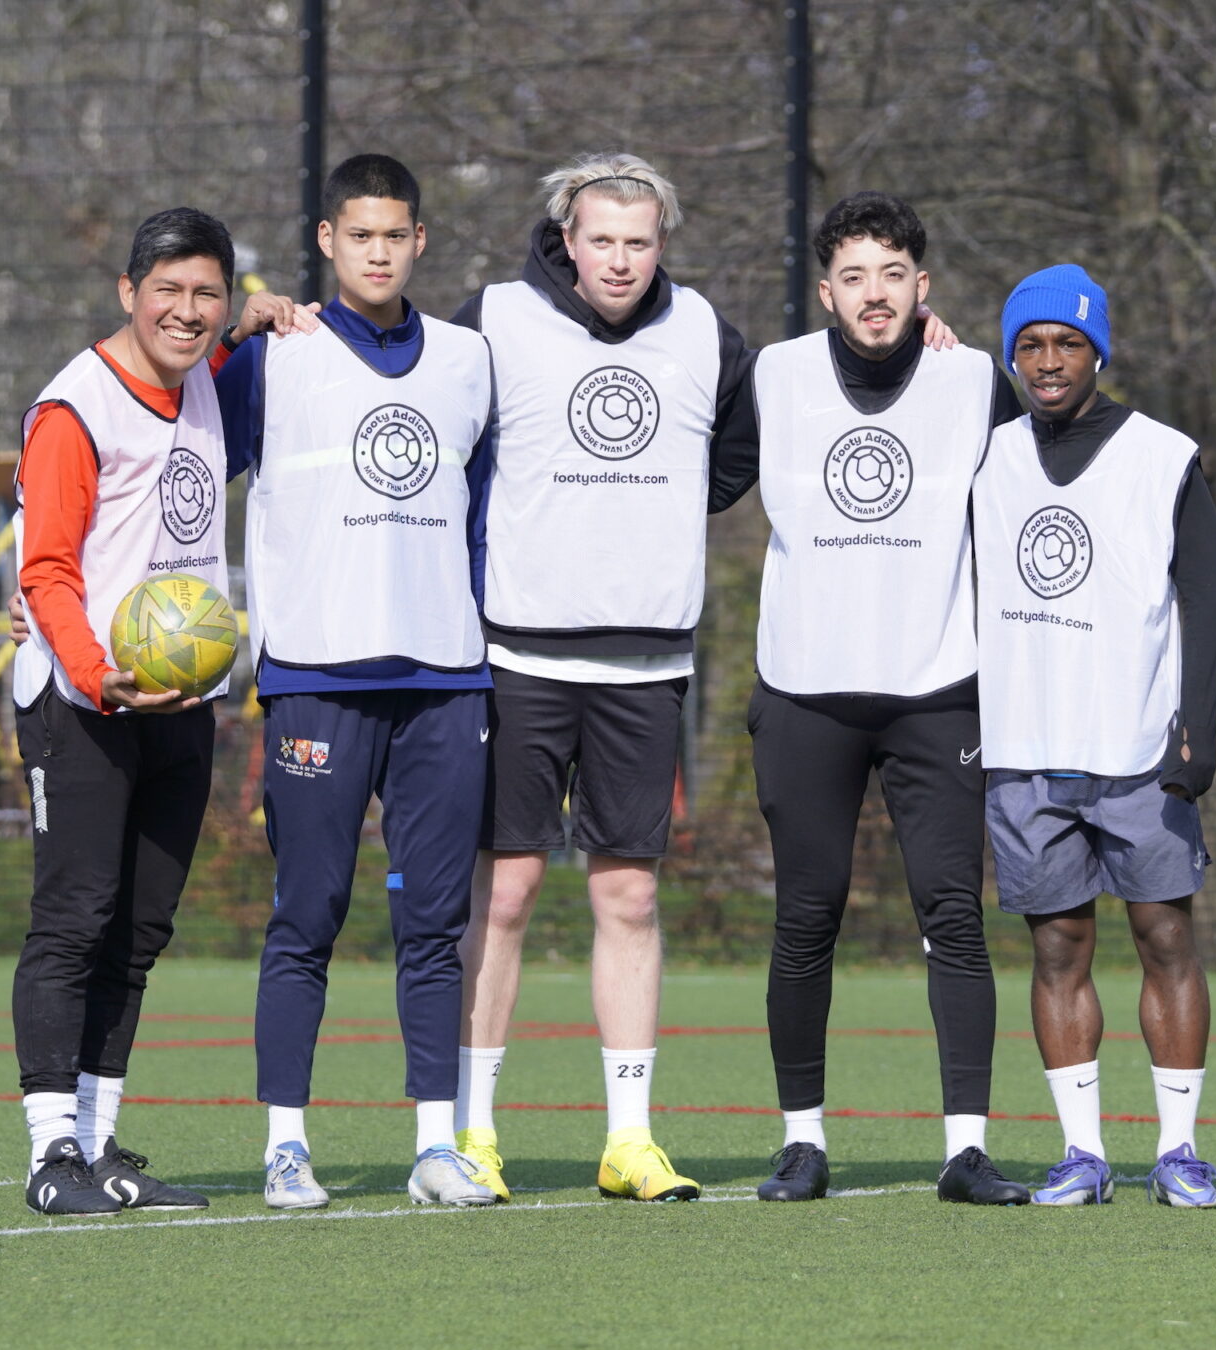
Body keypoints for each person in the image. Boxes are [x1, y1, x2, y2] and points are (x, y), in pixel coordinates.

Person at [440, 153, 757, 1204]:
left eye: (640, 241)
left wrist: (645, 525)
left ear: (663, 244)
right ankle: (474, 1133)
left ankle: (629, 1138)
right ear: (566, 240)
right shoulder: (489, 320)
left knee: (628, 893)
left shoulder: (709, 334)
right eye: (602, 240)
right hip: (518, 654)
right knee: (510, 889)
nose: (620, 260)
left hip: (648, 662)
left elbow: (736, 459)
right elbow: (419, 412)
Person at [218, 153, 502, 1210]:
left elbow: (487, 518)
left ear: (419, 241)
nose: (379, 250)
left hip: (445, 681)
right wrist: (236, 326)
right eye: (359, 234)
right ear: (328, 242)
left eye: (397, 234)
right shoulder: (276, 357)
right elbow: (178, 442)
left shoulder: (471, 360)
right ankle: (286, 1146)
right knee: (309, 914)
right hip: (313, 678)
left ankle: (438, 1144)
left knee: (435, 924)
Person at [736, 192, 1030, 1205]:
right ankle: (802, 1143)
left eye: (892, 275)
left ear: (923, 286)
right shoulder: (772, 376)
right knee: (805, 916)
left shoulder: (973, 380)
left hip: (936, 694)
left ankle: (965, 1151)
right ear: (826, 290)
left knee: (954, 913)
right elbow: (683, 476)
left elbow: (1043, 495)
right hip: (805, 693)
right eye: (854, 276)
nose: (874, 294)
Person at [971, 263, 1216, 1207]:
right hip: (1025, 748)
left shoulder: (1165, 456)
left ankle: (1177, 1150)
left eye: (1067, 343)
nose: (1048, 361)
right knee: (1056, 950)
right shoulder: (986, 457)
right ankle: (1082, 1153)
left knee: (1165, 936)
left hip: (1136, 748)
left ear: (1099, 352)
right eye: (1030, 345)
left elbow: (1208, 598)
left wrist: (1196, 731)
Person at [6, 207, 238, 1215]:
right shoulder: (76, 408)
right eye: (169, 292)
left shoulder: (204, 382)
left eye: (208, 294)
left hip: (181, 698)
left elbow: (253, 327)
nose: (187, 312)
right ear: (127, 294)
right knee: (74, 920)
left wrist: (266, 312)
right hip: (83, 698)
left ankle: (99, 1145)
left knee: (140, 928)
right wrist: (100, 674)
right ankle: (51, 1155)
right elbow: (47, 568)